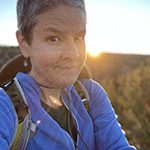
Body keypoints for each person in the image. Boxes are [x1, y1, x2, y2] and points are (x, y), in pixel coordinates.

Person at [0, 0, 136, 149]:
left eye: (78, 37)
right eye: (54, 38)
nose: (74, 54)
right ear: (24, 43)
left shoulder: (90, 95)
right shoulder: (6, 106)